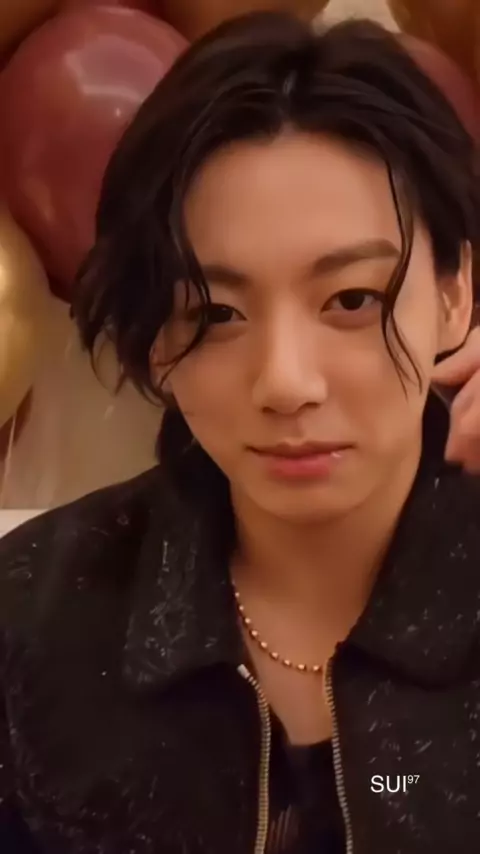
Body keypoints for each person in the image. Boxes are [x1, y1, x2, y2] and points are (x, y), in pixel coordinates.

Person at [1, 11, 480, 854]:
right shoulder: (33, 619)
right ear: (157, 336)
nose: (286, 383)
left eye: (352, 300)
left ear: (453, 295)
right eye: (216, 314)